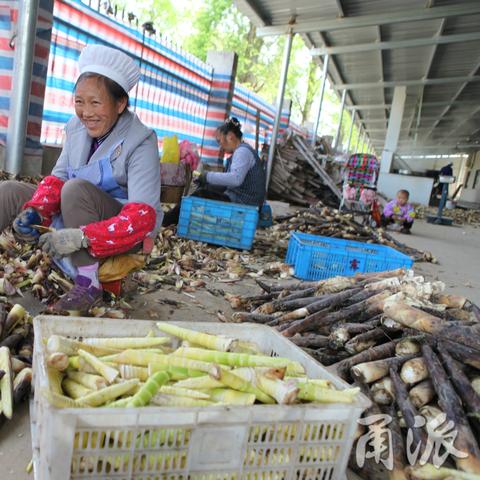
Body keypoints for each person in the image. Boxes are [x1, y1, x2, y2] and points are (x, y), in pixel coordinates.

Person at [0, 44, 161, 313]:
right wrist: (36, 212)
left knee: (74, 190)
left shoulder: (141, 140)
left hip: (116, 231)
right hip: (73, 212)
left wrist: (84, 237)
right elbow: (57, 178)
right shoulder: (76, 128)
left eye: (95, 103)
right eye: (79, 102)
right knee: (8, 191)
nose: (86, 112)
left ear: (120, 103)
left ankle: (88, 283)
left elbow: (144, 216)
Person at [162, 117, 266, 226]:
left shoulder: (242, 152)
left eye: (220, 141)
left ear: (230, 136)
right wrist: (208, 182)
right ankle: (175, 217)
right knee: (206, 188)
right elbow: (230, 183)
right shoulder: (242, 151)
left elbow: (235, 179)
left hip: (244, 205)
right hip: (243, 201)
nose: (220, 146)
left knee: (201, 194)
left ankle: (167, 220)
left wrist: (207, 176)